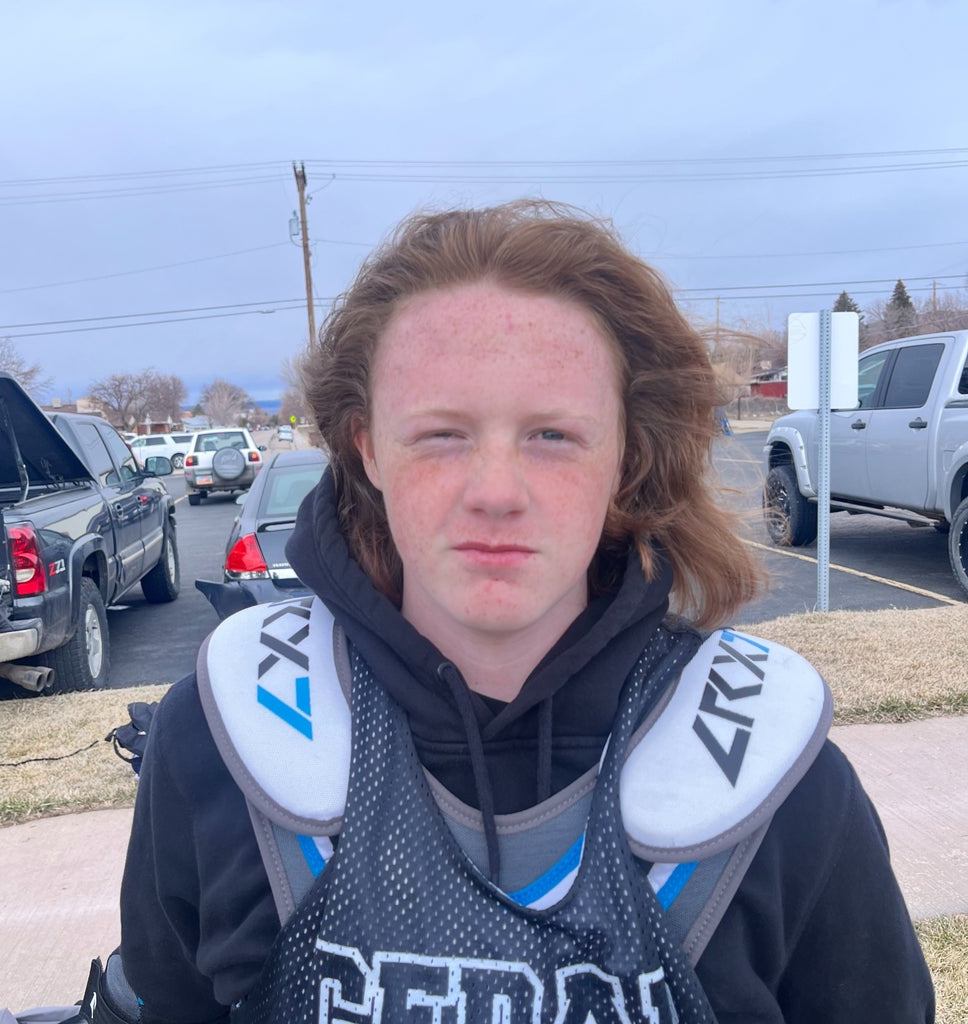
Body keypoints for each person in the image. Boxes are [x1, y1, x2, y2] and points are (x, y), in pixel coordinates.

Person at [115, 201, 934, 1023]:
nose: (497, 492)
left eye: (552, 435)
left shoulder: (783, 790)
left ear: (624, 454)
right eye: (442, 433)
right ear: (367, 448)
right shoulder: (217, 747)